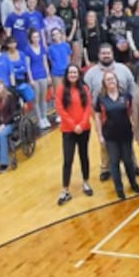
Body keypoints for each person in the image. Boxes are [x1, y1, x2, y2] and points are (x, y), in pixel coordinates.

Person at [94, 70, 139, 200]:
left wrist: (135, 127)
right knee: (114, 162)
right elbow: (98, 118)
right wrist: (100, 135)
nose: (111, 81)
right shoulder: (101, 98)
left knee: (128, 161)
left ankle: (133, 184)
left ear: (117, 80)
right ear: (104, 83)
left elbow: (132, 112)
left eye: (113, 79)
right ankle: (119, 189)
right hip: (110, 135)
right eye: (108, 79)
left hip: (126, 134)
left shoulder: (126, 95)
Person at [55, 65, 95, 205]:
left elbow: (88, 107)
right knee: (68, 159)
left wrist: (82, 124)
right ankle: (65, 190)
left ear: (79, 74)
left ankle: (86, 182)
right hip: (68, 130)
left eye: (75, 72)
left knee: (84, 156)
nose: (73, 74)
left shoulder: (84, 88)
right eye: (70, 72)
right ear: (67, 74)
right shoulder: (61, 89)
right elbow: (60, 108)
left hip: (84, 129)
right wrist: (73, 125)